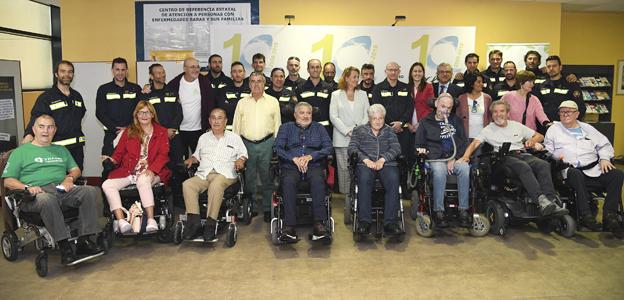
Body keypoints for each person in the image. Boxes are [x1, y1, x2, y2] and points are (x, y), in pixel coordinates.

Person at [2, 115, 103, 265]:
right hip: (34, 195)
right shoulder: (20, 152)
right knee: (47, 199)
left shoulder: (61, 150)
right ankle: (64, 247)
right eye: (41, 126)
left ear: (54, 130)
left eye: (50, 127)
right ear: (34, 129)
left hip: (60, 190)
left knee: (90, 191)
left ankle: (84, 241)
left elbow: (76, 169)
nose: (45, 130)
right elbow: (8, 181)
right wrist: (27, 187)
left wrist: (69, 178)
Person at [460, 100, 566, 216]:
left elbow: (539, 136)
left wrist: (532, 140)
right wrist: (465, 156)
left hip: (522, 154)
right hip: (504, 157)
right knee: (523, 167)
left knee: (543, 165)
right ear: (492, 114)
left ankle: (550, 202)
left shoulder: (516, 126)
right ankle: (541, 201)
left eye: (501, 111)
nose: (498, 114)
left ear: (507, 113)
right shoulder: (488, 130)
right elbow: (474, 143)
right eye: (495, 112)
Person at [544, 101, 623, 237]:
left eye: (569, 111)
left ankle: (610, 215)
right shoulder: (554, 129)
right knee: (575, 174)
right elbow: (548, 151)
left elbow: (604, 145)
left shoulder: (588, 129)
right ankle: (585, 215)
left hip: (593, 169)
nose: (565, 114)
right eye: (562, 112)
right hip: (569, 172)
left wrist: (604, 158)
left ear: (577, 114)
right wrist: (556, 158)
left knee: (616, 174)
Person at [101, 101, 170, 234]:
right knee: (107, 185)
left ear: (152, 115)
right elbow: (119, 153)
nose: (144, 115)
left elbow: (163, 155)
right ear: (136, 115)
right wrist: (112, 160)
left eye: (147, 112)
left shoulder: (161, 132)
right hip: (129, 172)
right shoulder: (129, 131)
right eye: (141, 112)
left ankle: (151, 220)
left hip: (153, 172)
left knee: (143, 180)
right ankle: (121, 221)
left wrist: (151, 169)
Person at [181, 108, 247, 241]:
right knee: (187, 184)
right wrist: (191, 160)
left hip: (225, 174)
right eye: (213, 118)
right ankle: (194, 224)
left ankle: (210, 224)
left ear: (225, 121)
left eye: (220, 118)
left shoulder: (235, 138)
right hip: (204, 174)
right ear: (209, 121)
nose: (216, 121)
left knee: (216, 184)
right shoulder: (203, 138)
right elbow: (196, 156)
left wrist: (240, 160)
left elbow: (243, 155)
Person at [274, 102, 333, 242]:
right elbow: (277, 148)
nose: (306, 116)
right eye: (302, 113)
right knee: (288, 182)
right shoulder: (285, 128)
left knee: (318, 181)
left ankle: (319, 225)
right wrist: (293, 158)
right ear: (295, 115)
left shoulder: (319, 128)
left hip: (314, 165)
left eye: (309, 113)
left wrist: (310, 156)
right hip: (291, 166)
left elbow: (329, 148)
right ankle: (289, 227)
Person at [415, 93, 470, 227]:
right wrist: (422, 151)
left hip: (454, 157)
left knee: (465, 169)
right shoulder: (426, 122)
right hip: (435, 158)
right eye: (443, 106)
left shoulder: (456, 121)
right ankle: (438, 210)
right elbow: (419, 144)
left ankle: (463, 209)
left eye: (449, 108)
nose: (445, 110)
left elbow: (463, 142)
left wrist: (455, 158)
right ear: (436, 104)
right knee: (440, 171)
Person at [232, 72, 281, 222]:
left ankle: (267, 208)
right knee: (249, 179)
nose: (256, 84)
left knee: (267, 178)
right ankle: (251, 207)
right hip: (246, 144)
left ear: (264, 83)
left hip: (267, 143)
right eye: (253, 81)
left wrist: (277, 147)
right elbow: (236, 127)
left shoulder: (273, 101)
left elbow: (277, 126)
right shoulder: (242, 103)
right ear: (249, 84)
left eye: (259, 81)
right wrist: (236, 148)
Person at [348, 104, 402, 236]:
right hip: (365, 164)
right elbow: (352, 148)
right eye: (374, 118)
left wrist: (383, 159)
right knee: (364, 180)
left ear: (384, 118)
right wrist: (366, 160)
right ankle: (364, 222)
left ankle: (390, 222)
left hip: (387, 164)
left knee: (394, 180)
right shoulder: (359, 130)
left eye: (381, 118)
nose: (378, 121)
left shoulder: (389, 131)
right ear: (369, 118)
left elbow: (396, 148)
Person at [23, 60, 87, 170]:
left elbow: (81, 114)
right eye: (63, 71)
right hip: (55, 149)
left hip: (76, 149)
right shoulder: (46, 97)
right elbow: (36, 118)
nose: (66, 75)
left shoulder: (77, 96)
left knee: (76, 179)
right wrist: (29, 134)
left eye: (70, 72)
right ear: (56, 74)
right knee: (57, 180)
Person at [329, 66, 370, 195]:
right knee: (344, 169)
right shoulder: (336, 95)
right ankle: (346, 197)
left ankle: (359, 195)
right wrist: (347, 131)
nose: (356, 79)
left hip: (361, 138)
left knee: (360, 167)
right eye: (354, 77)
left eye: (358, 77)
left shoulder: (363, 94)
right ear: (346, 78)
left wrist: (357, 131)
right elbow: (333, 116)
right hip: (342, 138)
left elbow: (367, 115)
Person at [167, 57, 217, 158]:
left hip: (199, 130)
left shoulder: (205, 83)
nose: (196, 69)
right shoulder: (174, 84)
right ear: (185, 68)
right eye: (192, 67)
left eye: (198, 67)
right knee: (181, 161)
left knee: (201, 159)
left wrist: (209, 125)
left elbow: (211, 105)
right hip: (179, 131)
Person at [96, 57, 142, 157]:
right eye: (117, 69)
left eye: (123, 70)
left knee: (131, 164)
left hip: (132, 134)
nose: (120, 73)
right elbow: (100, 113)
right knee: (109, 164)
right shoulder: (103, 89)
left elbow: (140, 111)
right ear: (112, 70)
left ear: (127, 71)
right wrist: (115, 129)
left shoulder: (136, 88)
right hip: (111, 135)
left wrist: (128, 129)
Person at [371, 62, 412, 164]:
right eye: (390, 70)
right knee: (386, 160)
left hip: (403, 131)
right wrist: (391, 126)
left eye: (395, 70)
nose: (393, 72)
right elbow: (377, 109)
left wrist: (401, 123)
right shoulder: (378, 88)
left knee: (403, 160)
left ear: (399, 72)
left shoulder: (406, 87)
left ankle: (403, 180)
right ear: (385, 72)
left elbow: (410, 108)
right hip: (385, 131)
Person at [538, 55, 585, 123]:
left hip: (565, 125)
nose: (551, 68)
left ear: (560, 67)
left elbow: (580, 107)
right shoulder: (542, 85)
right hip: (546, 125)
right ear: (546, 69)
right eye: (549, 66)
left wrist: (571, 123)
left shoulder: (571, 84)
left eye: (554, 66)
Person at [295, 59, 334, 137]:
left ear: (321, 69)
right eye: (312, 67)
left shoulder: (329, 88)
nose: (315, 70)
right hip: (305, 130)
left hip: (325, 131)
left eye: (317, 67)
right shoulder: (300, 88)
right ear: (308, 70)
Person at [457, 72, 492, 139]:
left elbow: (490, 117)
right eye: (479, 82)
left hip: (484, 138)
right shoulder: (461, 98)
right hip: (465, 137)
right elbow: (458, 117)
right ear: (471, 84)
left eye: (482, 82)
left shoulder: (487, 98)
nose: (482, 84)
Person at [216, 61, 250, 130]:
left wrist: (230, 104)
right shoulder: (223, 90)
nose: (237, 74)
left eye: (240, 71)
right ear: (231, 74)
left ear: (244, 73)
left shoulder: (251, 90)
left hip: (246, 131)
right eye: (234, 71)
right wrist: (242, 105)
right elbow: (222, 108)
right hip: (228, 131)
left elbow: (251, 109)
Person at [409, 62, 435, 128]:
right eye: (415, 71)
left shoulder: (429, 87)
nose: (417, 73)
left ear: (423, 73)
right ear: (411, 73)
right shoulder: (406, 87)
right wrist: (407, 124)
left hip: (424, 123)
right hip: (409, 124)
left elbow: (431, 107)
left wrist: (421, 123)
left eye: (420, 71)